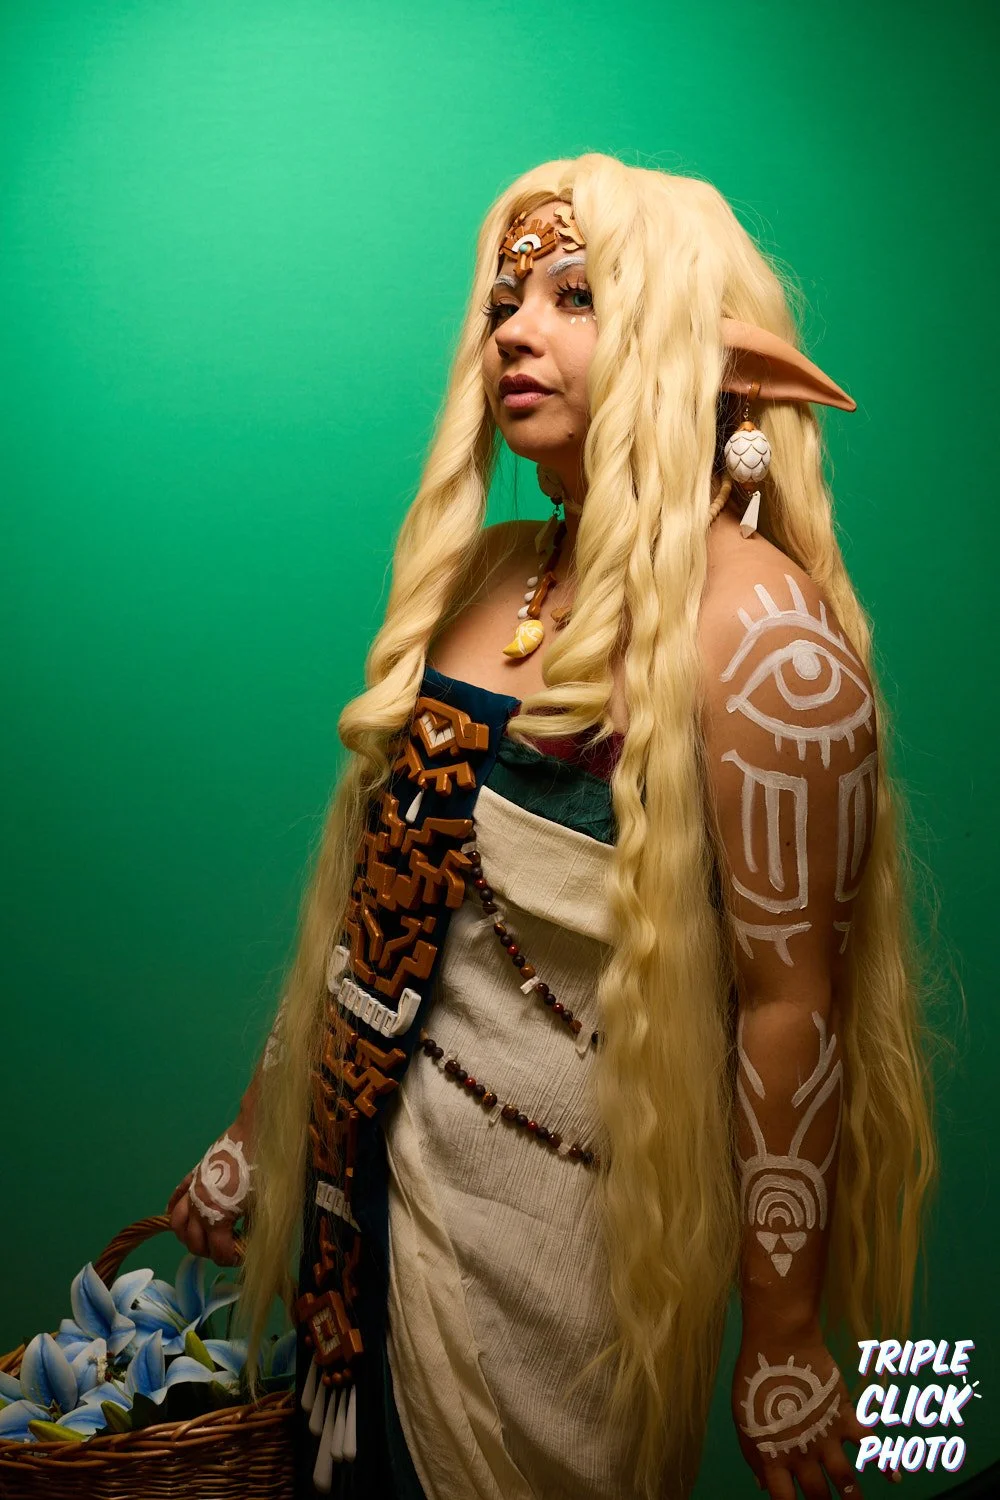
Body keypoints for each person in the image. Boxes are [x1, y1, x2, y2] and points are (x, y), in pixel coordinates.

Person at [167, 153, 937, 1500]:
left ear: (704, 351)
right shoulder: (489, 579)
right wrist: (256, 1136)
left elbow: (789, 1001)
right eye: (505, 302)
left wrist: (784, 1330)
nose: (516, 331)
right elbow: (364, 916)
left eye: (575, 296)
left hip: (566, 1250)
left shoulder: (765, 640)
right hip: (372, 1217)